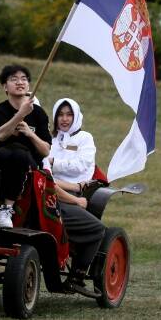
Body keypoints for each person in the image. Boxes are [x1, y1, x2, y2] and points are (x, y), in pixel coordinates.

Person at [45, 98, 106, 295]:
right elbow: (43, 166)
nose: (64, 119)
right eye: (60, 114)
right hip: (51, 190)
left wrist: (53, 162)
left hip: (73, 191)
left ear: (76, 116)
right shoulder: (48, 138)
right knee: (98, 230)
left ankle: (76, 276)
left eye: (69, 114)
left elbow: (81, 165)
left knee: (98, 229)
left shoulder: (85, 138)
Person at [0, 65, 52, 228]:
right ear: (5, 86)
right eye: (13, 79)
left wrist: (30, 134)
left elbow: (45, 150)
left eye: (24, 79)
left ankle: (7, 209)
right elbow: (0, 135)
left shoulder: (39, 113)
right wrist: (20, 115)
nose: (20, 82)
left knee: (20, 154)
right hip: (0, 160)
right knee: (8, 152)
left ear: (29, 85)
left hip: (28, 164)